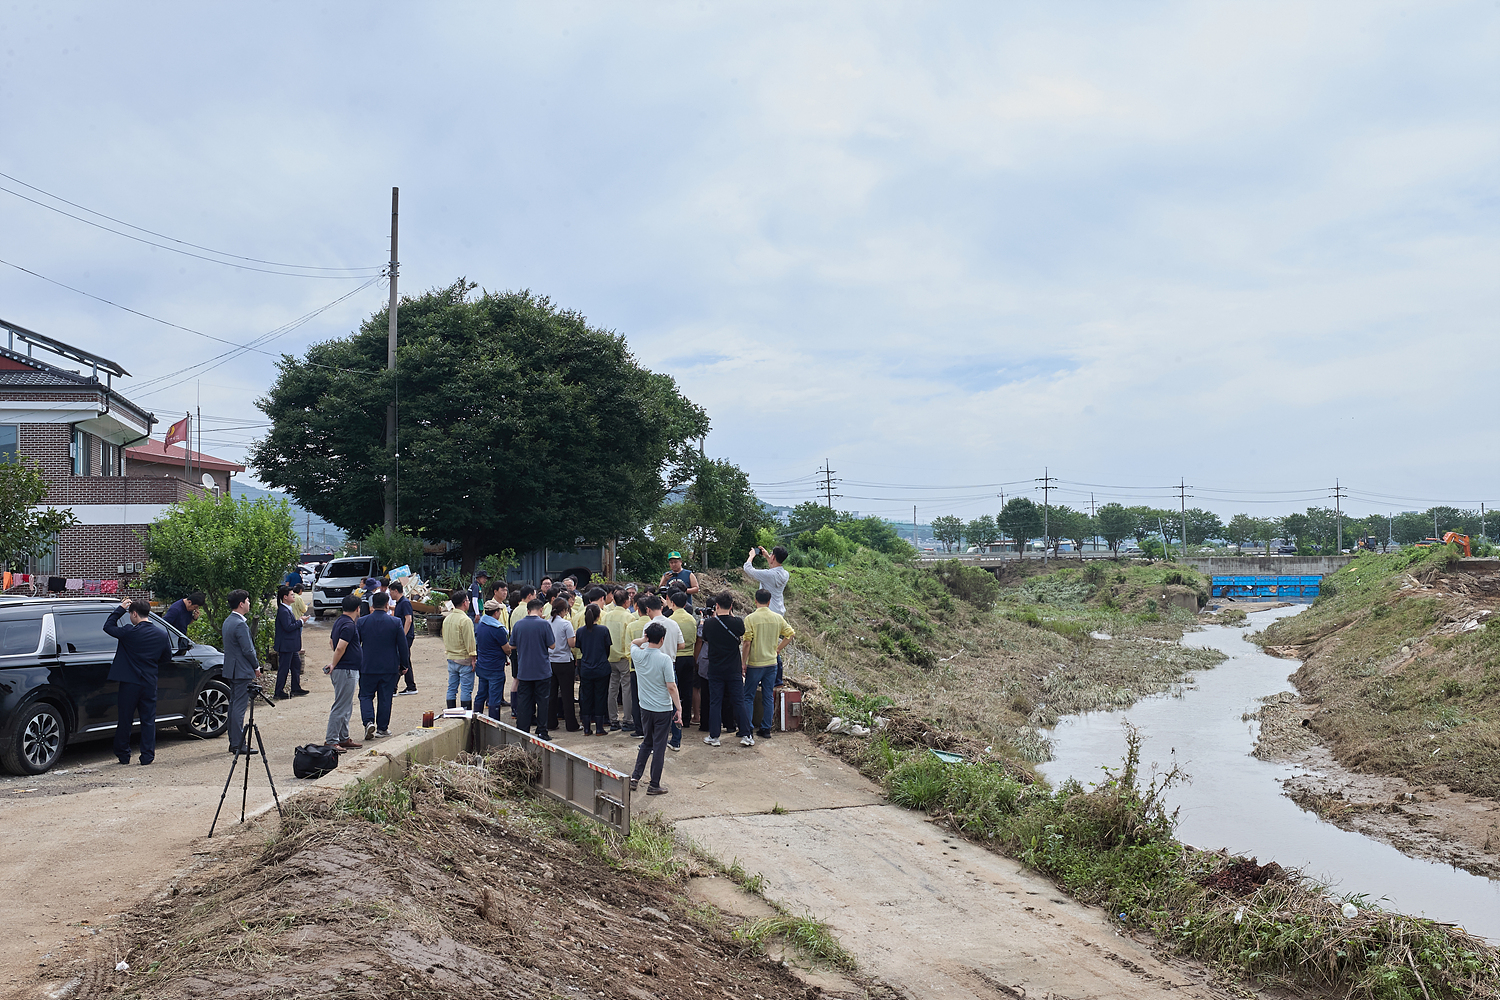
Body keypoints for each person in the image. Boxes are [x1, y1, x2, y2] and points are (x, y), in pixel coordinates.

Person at [103, 597, 174, 765]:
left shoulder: (129, 632)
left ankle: (123, 754)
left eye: (130, 614)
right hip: (149, 681)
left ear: (134, 613)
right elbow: (167, 657)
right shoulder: (162, 634)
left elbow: (108, 626)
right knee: (148, 720)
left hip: (129, 681)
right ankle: (147, 756)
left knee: (125, 719)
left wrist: (120, 609)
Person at [628, 621, 681, 796]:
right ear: (662, 639)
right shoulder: (665, 659)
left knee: (647, 742)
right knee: (659, 746)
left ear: (647, 637)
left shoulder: (638, 654)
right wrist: (679, 708)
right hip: (662, 709)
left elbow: (633, 643)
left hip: (645, 707)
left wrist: (644, 639)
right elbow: (671, 686)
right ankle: (654, 784)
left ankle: (635, 777)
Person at [741, 588, 795, 745]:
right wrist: (778, 649)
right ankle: (766, 728)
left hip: (755, 663)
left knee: (748, 696)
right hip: (771, 663)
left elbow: (747, 642)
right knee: (768, 696)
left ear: (755, 600)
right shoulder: (777, 618)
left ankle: (748, 728)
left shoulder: (750, 619)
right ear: (769, 601)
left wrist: (743, 662)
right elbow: (790, 634)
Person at [357, 591, 409, 739]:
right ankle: (382, 728)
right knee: (385, 697)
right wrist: (404, 664)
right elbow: (403, 646)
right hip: (389, 666)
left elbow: (356, 644)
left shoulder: (362, 622)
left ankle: (368, 722)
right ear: (387, 605)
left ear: (372, 605)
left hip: (367, 665)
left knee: (365, 695)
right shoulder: (395, 622)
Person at [635, 594, 683, 749]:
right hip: (670, 665)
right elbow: (681, 645)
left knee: (653, 704)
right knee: (673, 699)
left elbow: (643, 646)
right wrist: (670, 648)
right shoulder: (673, 623)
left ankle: (651, 742)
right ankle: (676, 740)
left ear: (648, 609)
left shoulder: (649, 626)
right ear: (662, 607)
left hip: (653, 667)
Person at [701, 591, 747, 747]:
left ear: (717, 606)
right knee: (739, 701)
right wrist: (731, 614)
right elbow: (740, 632)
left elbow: (705, 639)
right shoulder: (738, 622)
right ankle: (746, 735)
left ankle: (714, 736)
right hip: (733, 668)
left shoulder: (709, 624)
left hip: (715, 668)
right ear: (731, 606)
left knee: (715, 702)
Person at [219, 589, 261, 755]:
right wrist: (256, 666)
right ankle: (238, 743)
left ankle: (234, 741)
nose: (249, 603)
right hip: (242, 670)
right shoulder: (239, 624)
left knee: (233, 705)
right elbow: (248, 649)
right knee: (239, 707)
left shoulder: (228, 621)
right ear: (241, 604)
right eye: (247, 601)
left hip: (232, 668)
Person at [510, 597, 555, 738]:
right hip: (542, 670)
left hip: (524, 670)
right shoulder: (544, 624)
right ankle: (542, 731)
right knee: (543, 702)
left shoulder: (518, 625)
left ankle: (522, 730)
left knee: (524, 701)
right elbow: (552, 645)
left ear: (528, 610)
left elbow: (512, 645)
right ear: (541, 609)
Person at [323, 595, 364, 750]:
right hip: (346, 670)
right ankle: (331, 740)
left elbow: (332, 642)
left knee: (346, 705)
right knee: (341, 706)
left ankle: (343, 737)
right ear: (357, 608)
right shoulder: (349, 625)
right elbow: (340, 647)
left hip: (347, 668)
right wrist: (334, 663)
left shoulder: (339, 622)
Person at [576, 603, 613, 735]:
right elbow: (607, 649)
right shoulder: (603, 630)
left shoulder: (580, 631)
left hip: (586, 668)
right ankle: (599, 728)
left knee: (586, 697)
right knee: (600, 697)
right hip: (601, 668)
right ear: (599, 615)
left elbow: (580, 647)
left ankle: (586, 728)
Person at [546, 596, 579, 732]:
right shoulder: (566, 624)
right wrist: (575, 635)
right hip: (564, 661)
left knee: (551, 694)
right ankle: (571, 724)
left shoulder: (547, 623)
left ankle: (550, 722)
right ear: (564, 610)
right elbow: (571, 644)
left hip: (550, 661)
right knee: (567, 694)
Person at [475, 598, 511, 722]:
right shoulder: (498, 629)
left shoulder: (481, 625)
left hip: (482, 665)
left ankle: (476, 719)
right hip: (495, 667)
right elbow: (506, 649)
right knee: (494, 698)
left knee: (481, 694)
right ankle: (493, 723)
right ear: (496, 613)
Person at [603, 586, 633, 732]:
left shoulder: (606, 616)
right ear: (627, 602)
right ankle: (628, 720)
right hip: (624, 657)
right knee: (627, 689)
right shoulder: (629, 617)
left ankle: (613, 720)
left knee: (612, 689)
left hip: (610, 656)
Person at [667, 590, 698, 728]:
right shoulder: (692, 619)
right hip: (689, 657)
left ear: (672, 603)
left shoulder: (670, 620)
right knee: (687, 689)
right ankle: (686, 718)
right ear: (685, 604)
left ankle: (674, 717)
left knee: (674, 689)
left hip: (675, 658)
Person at [273, 583, 311, 699]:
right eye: (291, 595)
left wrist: (299, 620)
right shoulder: (283, 610)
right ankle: (278, 691)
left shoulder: (287, 609)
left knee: (296, 665)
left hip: (291, 645)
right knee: (284, 668)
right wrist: (301, 622)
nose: (293, 597)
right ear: (285, 597)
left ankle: (295, 688)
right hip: (286, 645)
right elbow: (288, 627)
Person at [443, 591, 478, 710]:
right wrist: (473, 658)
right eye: (468, 600)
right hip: (464, 659)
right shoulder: (465, 620)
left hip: (451, 657)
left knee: (452, 688)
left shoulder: (447, 619)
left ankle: (451, 711)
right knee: (466, 689)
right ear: (464, 603)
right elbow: (470, 641)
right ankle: (465, 714)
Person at [389, 580, 419, 695]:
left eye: (391, 592)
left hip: (406, 636)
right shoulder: (399, 603)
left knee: (399, 658)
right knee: (405, 659)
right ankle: (411, 686)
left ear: (396, 591)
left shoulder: (405, 602)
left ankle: (393, 687)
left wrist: (403, 635)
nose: (390, 594)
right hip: (402, 635)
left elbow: (408, 619)